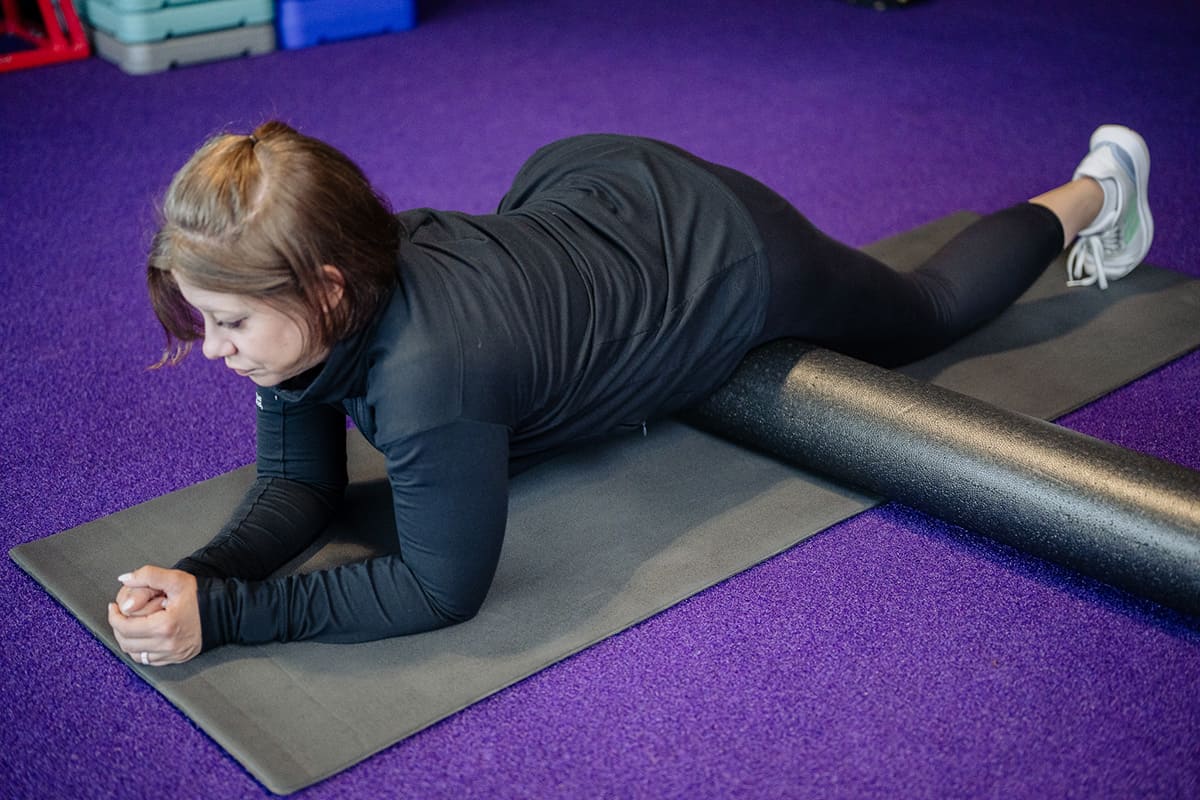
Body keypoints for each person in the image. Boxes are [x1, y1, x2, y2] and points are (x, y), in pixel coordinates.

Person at [107, 123, 1153, 666]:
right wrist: (195, 576)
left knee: (924, 316)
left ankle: (1099, 188)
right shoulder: (327, 292)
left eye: (231, 323)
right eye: (206, 320)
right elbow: (303, 486)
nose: (214, 351)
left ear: (326, 287)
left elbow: (439, 587)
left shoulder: (433, 375)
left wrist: (231, 617)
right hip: (583, 184)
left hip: (720, 251)